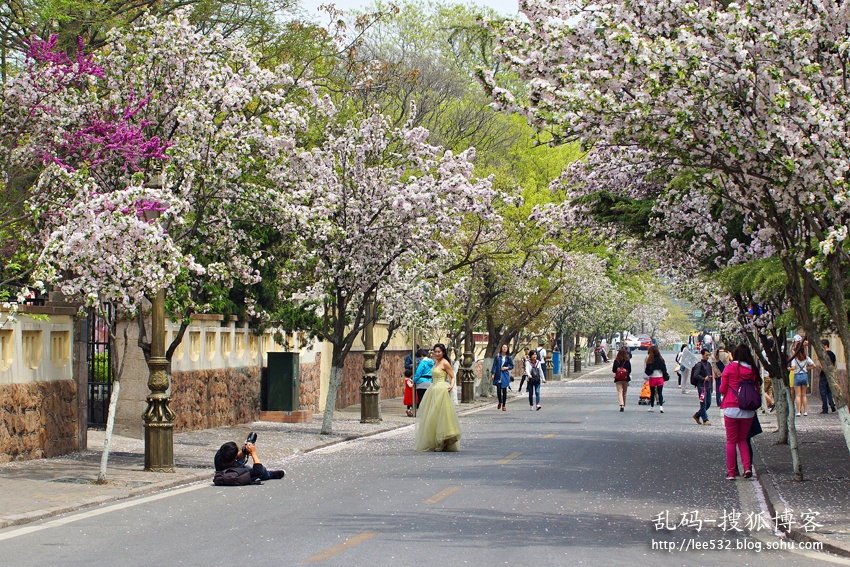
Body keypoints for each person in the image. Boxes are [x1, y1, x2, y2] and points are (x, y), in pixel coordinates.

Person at [720, 344, 760, 480]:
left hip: (731, 408)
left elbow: (722, 389)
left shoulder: (729, 368)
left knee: (731, 441)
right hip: (748, 410)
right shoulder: (752, 370)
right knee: (743, 439)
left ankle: (731, 472)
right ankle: (747, 468)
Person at [414, 343, 461, 452]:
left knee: (442, 415)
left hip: (442, 389)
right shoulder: (435, 362)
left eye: (439, 352)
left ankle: (443, 441)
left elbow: (452, 377)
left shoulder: (445, 363)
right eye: (435, 352)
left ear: (443, 352)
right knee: (432, 415)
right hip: (433, 388)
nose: (437, 353)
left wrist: (451, 386)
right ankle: (436, 440)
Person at [214, 439, 284, 485]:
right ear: (235, 459)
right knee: (262, 470)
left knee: (243, 455)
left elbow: (235, 456)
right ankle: (269, 474)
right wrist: (253, 452)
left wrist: (245, 451)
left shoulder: (219, 456)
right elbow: (258, 470)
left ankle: (245, 451)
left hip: (229, 465)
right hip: (237, 469)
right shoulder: (241, 471)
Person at [788, 343, 815, 417]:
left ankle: (798, 411)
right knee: (804, 395)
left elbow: (793, 368)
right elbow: (814, 365)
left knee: (798, 395)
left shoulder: (795, 358)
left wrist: (789, 369)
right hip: (804, 375)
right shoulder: (806, 358)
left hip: (797, 376)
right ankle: (805, 411)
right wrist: (807, 368)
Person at [691, 349, 713, 425]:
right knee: (703, 403)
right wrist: (704, 379)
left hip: (708, 386)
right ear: (702, 355)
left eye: (708, 355)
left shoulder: (709, 364)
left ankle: (697, 415)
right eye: (706, 355)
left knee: (708, 403)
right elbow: (696, 375)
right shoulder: (699, 365)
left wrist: (711, 386)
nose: (708, 357)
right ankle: (705, 419)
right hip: (701, 387)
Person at [644, 345, 668, 413]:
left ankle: (652, 407)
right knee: (660, 393)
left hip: (652, 378)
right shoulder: (661, 359)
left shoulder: (650, 359)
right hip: (660, 378)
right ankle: (661, 407)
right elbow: (664, 369)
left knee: (652, 393)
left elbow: (647, 369)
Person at [490, 344, 514, 411]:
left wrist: (506, 368)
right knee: (498, 390)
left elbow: (512, 366)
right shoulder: (497, 356)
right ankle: (500, 401)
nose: (504, 348)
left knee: (504, 390)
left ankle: (504, 405)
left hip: (505, 375)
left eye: (506, 347)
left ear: (507, 349)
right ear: (501, 348)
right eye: (503, 347)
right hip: (498, 374)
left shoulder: (509, 357)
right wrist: (492, 374)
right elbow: (494, 365)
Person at [818, 339, 837, 414]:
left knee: (823, 392)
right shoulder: (832, 354)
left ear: (825, 345)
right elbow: (835, 364)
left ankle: (825, 408)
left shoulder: (823, 354)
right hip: (830, 375)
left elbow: (821, 366)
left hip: (823, 374)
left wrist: (823, 368)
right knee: (829, 391)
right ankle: (832, 405)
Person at [612, 347, 631, 412]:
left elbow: (614, 370)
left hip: (618, 379)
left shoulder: (616, 361)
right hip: (625, 378)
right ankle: (624, 404)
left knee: (619, 392)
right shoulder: (627, 361)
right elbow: (630, 370)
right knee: (624, 392)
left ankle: (621, 405)